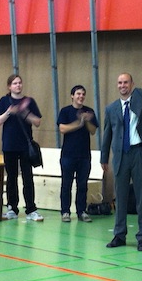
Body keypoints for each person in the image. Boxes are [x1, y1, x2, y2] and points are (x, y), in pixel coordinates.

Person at [100, 45, 142, 252]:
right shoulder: (111, 108)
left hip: (139, 153)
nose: (123, 85)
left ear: (132, 84)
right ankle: (119, 235)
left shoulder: (141, 97)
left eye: (126, 82)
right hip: (120, 156)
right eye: (120, 83)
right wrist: (104, 158)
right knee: (120, 198)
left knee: (140, 197)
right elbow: (107, 134)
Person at [0, 74, 44, 222]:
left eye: (20, 83)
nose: (18, 85)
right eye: (15, 83)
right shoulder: (4, 101)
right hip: (9, 145)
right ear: (9, 86)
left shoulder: (29, 101)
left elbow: (37, 121)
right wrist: (9, 112)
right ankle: (12, 208)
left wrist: (24, 112)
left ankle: (31, 209)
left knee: (28, 177)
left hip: (25, 146)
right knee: (11, 177)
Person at [57, 85, 99, 223]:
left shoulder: (89, 111)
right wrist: (79, 123)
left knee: (82, 185)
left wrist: (86, 121)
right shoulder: (65, 111)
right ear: (72, 96)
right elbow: (62, 128)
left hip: (84, 155)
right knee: (66, 184)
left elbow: (93, 131)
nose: (81, 96)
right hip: (68, 155)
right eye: (78, 94)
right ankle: (65, 211)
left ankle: (81, 211)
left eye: (83, 94)